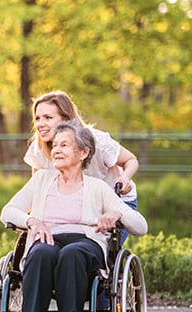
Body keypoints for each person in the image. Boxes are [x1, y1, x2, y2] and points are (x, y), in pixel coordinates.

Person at [0, 121, 148, 312]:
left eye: (65, 145)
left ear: (83, 152)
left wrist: (117, 215)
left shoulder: (97, 188)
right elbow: (7, 211)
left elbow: (141, 226)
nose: (56, 149)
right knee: (40, 255)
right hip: (47, 239)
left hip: (85, 243)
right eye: (55, 145)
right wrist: (32, 220)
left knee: (72, 253)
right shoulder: (41, 181)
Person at [24, 90, 139, 223]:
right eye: (37, 118)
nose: (40, 124)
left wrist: (124, 178)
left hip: (114, 203)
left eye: (48, 117)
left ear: (66, 120)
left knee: (97, 243)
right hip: (76, 205)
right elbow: (38, 186)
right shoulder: (39, 147)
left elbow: (131, 160)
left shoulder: (97, 140)